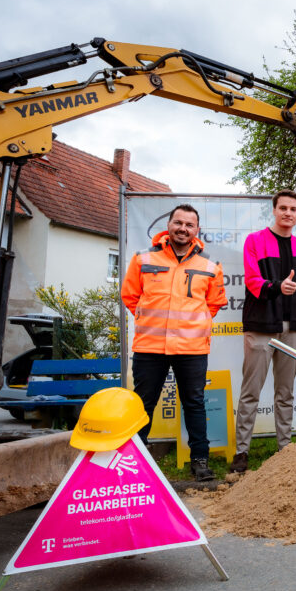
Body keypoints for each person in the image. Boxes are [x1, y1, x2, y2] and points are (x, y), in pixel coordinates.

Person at [121, 204, 225, 481]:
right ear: (168, 225)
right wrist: (153, 320)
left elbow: (214, 304)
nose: (183, 228)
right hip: (149, 347)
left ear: (196, 230)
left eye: (189, 225)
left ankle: (200, 462)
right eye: (178, 223)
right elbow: (130, 297)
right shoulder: (142, 259)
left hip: (191, 349)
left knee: (194, 403)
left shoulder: (210, 265)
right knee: (143, 404)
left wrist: (193, 323)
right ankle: (134, 464)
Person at [230, 190, 296, 474]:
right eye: (283, 208)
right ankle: (242, 452)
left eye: (293, 209)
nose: (288, 213)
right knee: (251, 391)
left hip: (294, 327)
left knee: (285, 392)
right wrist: (278, 287)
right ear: (274, 210)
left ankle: (285, 450)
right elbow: (253, 281)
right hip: (261, 325)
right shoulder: (255, 241)